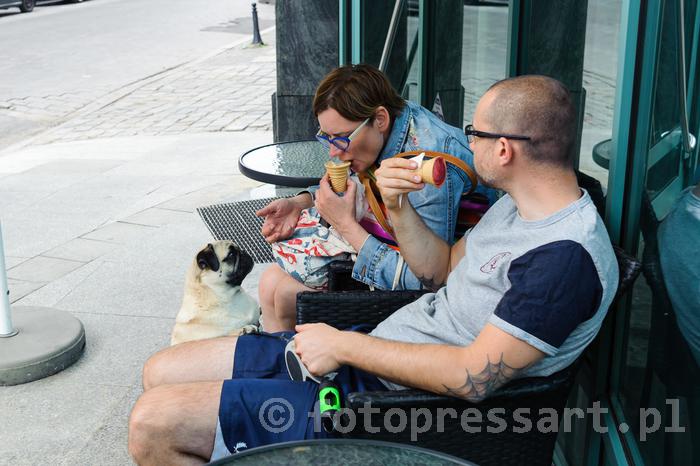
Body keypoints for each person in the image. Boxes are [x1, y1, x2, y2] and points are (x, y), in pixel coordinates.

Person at [128, 75, 618, 465]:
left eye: (476, 134)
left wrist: (342, 344)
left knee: (152, 424)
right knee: (160, 370)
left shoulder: (563, 259)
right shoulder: (514, 205)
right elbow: (439, 271)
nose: (467, 142)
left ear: (505, 149)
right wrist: (399, 206)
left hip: (384, 409)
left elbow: (474, 377)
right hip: (370, 354)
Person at [256, 64, 490, 332]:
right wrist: (302, 202)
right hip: (393, 245)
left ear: (380, 119)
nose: (334, 152)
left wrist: (345, 225)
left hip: (448, 293)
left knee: (284, 293)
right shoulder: (389, 125)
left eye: (342, 139)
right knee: (270, 282)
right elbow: (358, 184)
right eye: (327, 138)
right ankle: (278, 366)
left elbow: (427, 282)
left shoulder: (427, 169)